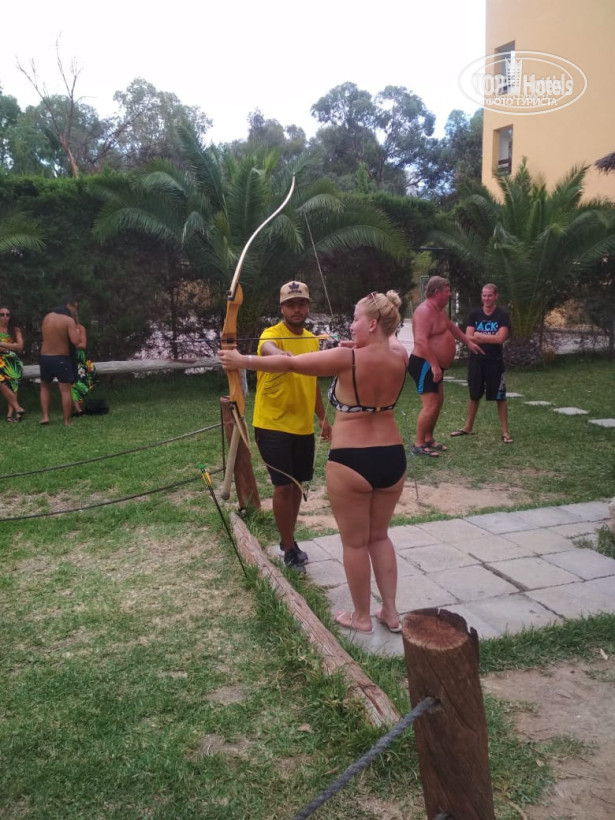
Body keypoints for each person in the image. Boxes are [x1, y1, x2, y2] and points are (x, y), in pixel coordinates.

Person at [220, 290, 408, 635]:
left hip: (352, 460)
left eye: (356, 319)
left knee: (355, 543)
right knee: (380, 537)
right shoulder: (400, 355)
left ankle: (362, 617)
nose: (351, 325)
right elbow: (387, 339)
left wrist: (240, 360)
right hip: (393, 457)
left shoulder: (345, 358)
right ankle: (391, 613)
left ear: (372, 324)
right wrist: (367, 339)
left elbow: (290, 364)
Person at [251, 281, 331, 572]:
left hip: (302, 427)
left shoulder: (312, 340)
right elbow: (267, 348)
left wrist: (322, 417)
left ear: (308, 306)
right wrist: (280, 355)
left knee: (297, 487)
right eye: (290, 304)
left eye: (301, 304)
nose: (296, 309)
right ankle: (288, 548)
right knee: (283, 487)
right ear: (282, 308)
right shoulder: (272, 334)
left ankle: (289, 539)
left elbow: (313, 381)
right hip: (272, 424)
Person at [408, 276, 483, 457]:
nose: (450, 294)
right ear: (437, 292)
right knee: (430, 404)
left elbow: (451, 327)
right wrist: (434, 366)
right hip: (425, 363)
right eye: (447, 291)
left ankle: (428, 438)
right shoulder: (424, 311)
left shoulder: (439, 311)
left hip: (434, 365)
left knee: (438, 402)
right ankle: (418, 445)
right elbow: (420, 341)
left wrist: (468, 342)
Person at [450, 283, 513, 443]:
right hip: (476, 361)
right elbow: (468, 337)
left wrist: (479, 335)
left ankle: (505, 432)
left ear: (496, 296)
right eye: (484, 295)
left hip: (495, 362)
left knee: (500, 396)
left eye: (489, 295)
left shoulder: (502, 315)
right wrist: (487, 337)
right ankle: (468, 427)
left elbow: (500, 339)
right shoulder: (474, 314)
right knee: (474, 394)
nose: (486, 298)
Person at [39, 296, 84, 426]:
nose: (75, 311)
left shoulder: (47, 317)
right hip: (61, 357)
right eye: (75, 307)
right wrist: (78, 332)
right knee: (65, 390)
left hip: (45, 357)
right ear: (69, 306)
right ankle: (66, 420)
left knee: (44, 386)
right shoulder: (68, 320)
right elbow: (75, 341)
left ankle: (45, 416)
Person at [0, 306, 26, 423]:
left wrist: (2, 344)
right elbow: (15, 345)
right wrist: (12, 345)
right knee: (1, 381)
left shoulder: (15, 330)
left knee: (13, 383)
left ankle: (11, 415)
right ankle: (17, 408)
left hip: (12, 360)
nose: (5, 317)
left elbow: (20, 346)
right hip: (1, 360)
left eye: (7, 315)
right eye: (2, 315)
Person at [71, 322, 98, 417]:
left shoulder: (80, 327)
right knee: (72, 383)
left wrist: (71, 345)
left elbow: (83, 345)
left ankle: (78, 408)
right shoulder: (63, 328)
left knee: (82, 381)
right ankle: (78, 409)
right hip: (69, 358)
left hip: (80, 357)